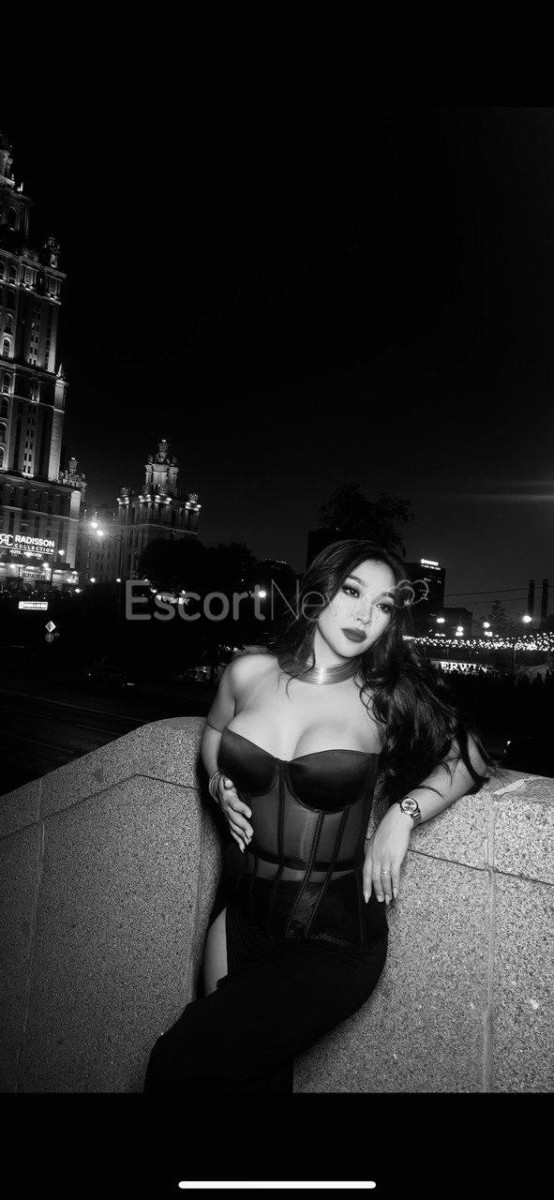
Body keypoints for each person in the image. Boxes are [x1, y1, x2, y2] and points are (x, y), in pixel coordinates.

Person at [144, 539, 495, 1093]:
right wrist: (216, 781)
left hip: (332, 939)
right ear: (317, 592)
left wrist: (403, 814)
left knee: (175, 1064)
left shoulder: (385, 698)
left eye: (384, 605)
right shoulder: (248, 672)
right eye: (352, 592)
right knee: (249, 1084)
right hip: (238, 916)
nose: (364, 616)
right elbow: (213, 732)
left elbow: (469, 752)